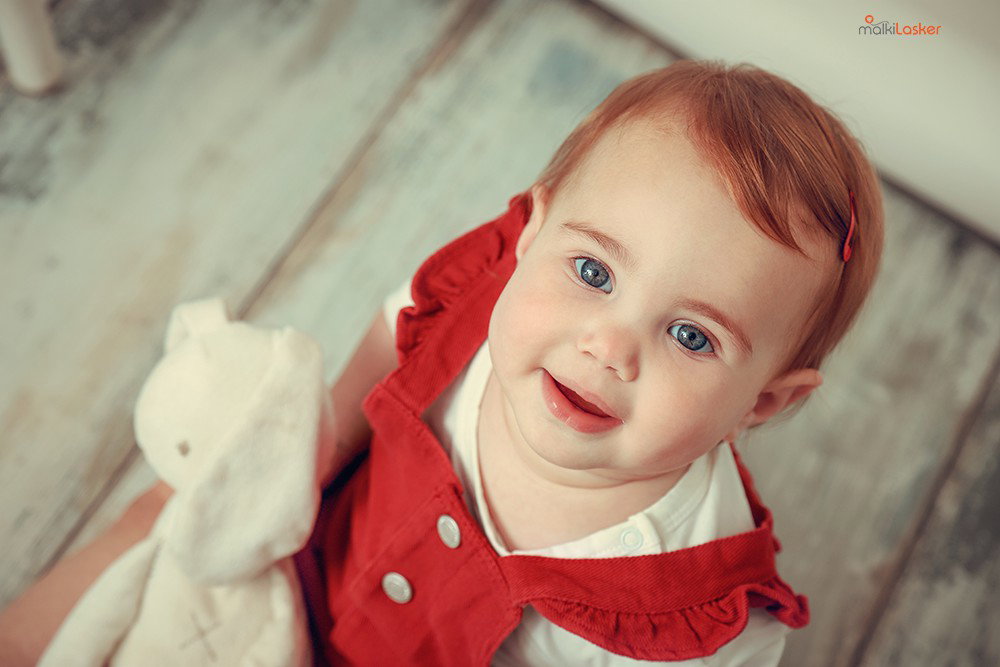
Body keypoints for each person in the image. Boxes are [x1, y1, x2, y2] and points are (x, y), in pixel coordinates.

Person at [0, 60, 884, 665]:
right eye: (593, 271)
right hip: (313, 547)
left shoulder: (690, 611)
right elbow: (394, 339)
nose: (607, 344)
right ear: (532, 232)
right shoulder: (488, 293)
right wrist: (305, 460)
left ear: (763, 401)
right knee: (161, 519)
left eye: (692, 336)